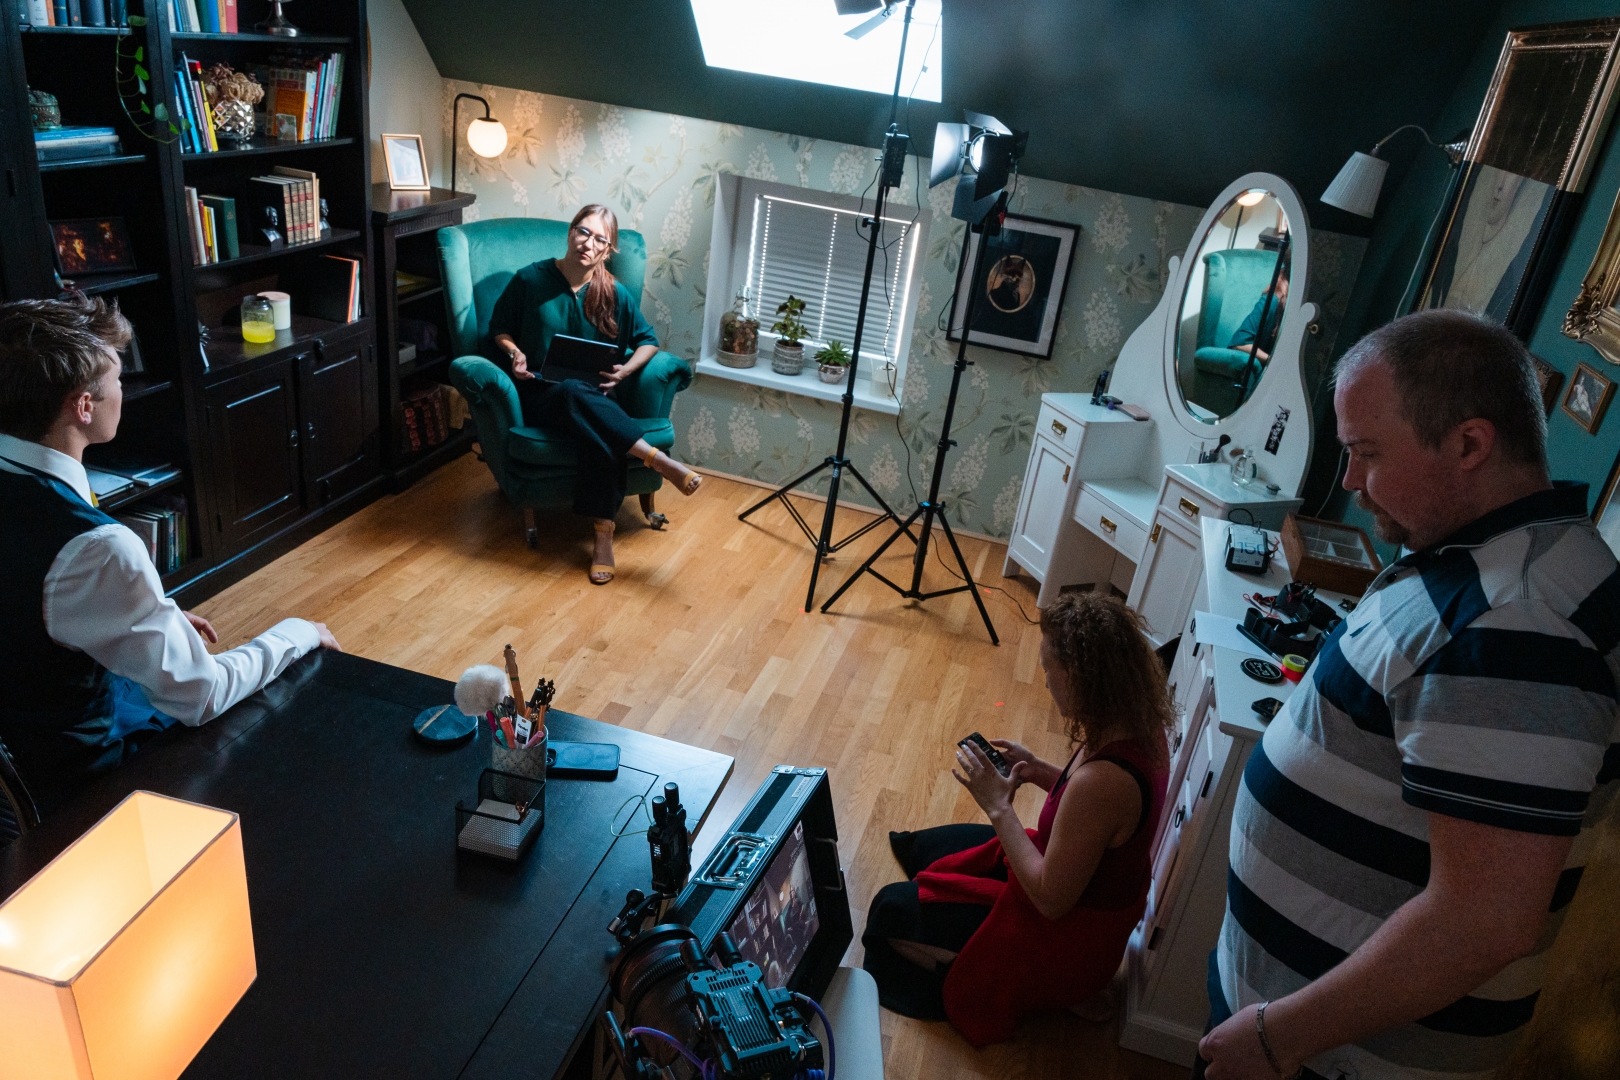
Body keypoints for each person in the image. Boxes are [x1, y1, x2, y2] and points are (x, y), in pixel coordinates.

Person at [1197, 309, 1619, 1080]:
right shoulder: (1479, 557)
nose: (1350, 482)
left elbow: (1483, 921)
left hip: (1331, 1057)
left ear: (1469, 445)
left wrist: (1278, 1036)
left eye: (1366, 453)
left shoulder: (1519, 624)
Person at [0, 296, 341, 815]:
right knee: (297, 683)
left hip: (19, 747)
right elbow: (202, 696)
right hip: (84, 783)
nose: (123, 391)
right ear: (83, 405)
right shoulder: (97, 548)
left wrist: (139, 611)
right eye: (118, 379)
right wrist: (298, 632)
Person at [862, 592, 1171, 1046]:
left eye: (1049, 669)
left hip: (1067, 939)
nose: (1045, 681)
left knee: (887, 914)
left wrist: (998, 806)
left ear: (1081, 678)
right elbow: (1096, 815)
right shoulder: (1137, 725)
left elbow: (1049, 899)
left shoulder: (1104, 783)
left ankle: (1029, 988)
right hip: (1075, 876)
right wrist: (1036, 769)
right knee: (922, 846)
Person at [488, 203, 701, 584]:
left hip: (597, 395)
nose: (588, 243)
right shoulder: (530, 279)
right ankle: (656, 460)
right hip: (542, 395)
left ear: (608, 250)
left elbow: (648, 341)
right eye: (583, 232)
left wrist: (626, 370)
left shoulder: (613, 292)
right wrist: (515, 353)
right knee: (579, 398)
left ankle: (604, 536)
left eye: (600, 239)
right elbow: (499, 328)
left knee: (598, 428)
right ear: (571, 232)